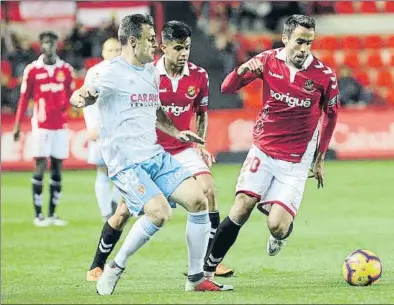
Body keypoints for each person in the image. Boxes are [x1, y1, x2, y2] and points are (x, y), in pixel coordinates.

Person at [70, 13, 232, 294]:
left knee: (198, 200)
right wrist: (81, 97)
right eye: (149, 40)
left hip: (154, 154)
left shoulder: (149, 73)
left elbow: (156, 110)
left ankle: (195, 279)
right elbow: (88, 93)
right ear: (133, 42)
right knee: (160, 213)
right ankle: (114, 267)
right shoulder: (108, 72)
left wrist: (177, 133)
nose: (156, 46)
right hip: (126, 163)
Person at [203, 15, 340, 282]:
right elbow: (227, 87)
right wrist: (244, 69)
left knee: (277, 226)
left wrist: (320, 158)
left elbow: (331, 115)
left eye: (309, 43)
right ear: (285, 38)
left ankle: (282, 234)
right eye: (299, 42)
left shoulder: (324, 76)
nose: (304, 49)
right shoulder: (267, 61)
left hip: (296, 161)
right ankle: (206, 271)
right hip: (263, 150)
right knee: (242, 206)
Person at [13, 31, 74, 227]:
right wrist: (17, 125)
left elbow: (72, 96)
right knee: (40, 166)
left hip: (60, 125)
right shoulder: (32, 70)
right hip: (41, 125)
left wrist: (71, 106)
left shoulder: (66, 70)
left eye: (52, 43)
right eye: (46, 43)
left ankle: (53, 214)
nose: (49, 46)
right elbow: (24, 98)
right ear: (41, 45)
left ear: (57, 45)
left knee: (57, 168)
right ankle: (38, 215)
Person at [83, 38, 122, 221]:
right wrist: (91, 126)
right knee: (102, 169)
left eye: (117, 50)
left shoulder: (127, 71)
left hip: (122, 130)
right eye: (110, 50)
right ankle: (106, 211)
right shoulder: (94, 73)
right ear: (103, 53)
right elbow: (86, 102)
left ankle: (114, 202)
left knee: (125, 170)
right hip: (101, 130)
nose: (114, 53)